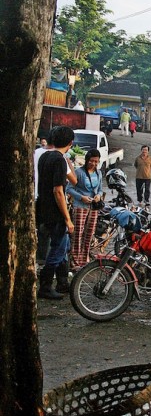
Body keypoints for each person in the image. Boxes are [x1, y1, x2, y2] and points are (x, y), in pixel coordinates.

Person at [36, 126, 77, 299]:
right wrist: (67, 219)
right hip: (55, 211)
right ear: (70, 143)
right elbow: (58, 191)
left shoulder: (45, 156)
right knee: (58, 249)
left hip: (42, 207)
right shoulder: (60, 160)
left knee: (64, 246)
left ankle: (62, 282)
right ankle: (45, 286)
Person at [67, 149, 104, 269]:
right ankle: (75, 259)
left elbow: (100, 189)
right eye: (92, 161)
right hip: (80, 206)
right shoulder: (79, 172)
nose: (94, 164)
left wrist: (98, 195)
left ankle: (84, 259)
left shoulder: (98, 173)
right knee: (78, 233)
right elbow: (69, 189)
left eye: (96, 162)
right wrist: (81, 197)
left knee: (89, 233)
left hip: (93, 207)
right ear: (87, 160)